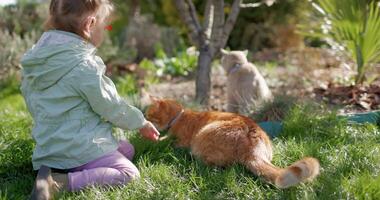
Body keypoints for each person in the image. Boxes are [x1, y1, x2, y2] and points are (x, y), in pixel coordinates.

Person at [20, 0, 160, 199]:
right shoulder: (83, 65)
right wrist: (141, 122)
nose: (107, 30)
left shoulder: (36, 60)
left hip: (50, 150)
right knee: (129, 174)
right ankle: (58, 183)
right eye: (107, 26)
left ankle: (56, 171)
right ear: (90, 25)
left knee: (126, 148)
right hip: (79, 149)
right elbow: (111, 106)